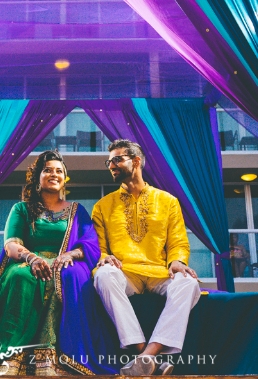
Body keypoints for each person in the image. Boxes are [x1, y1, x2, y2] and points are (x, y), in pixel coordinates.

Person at [0, 150, 116, 375]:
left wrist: (69, 256)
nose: (54, 174)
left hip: (62, 262)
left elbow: (90, 245)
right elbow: (11, 245)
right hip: (28, 261)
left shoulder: (77, 211)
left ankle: (47, 357)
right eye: (48, 170)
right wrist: (32, 258)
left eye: (59, 171)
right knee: (21, 276)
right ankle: (12, 356)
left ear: (64, 178)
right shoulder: (21, 209)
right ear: (37, 177)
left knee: (64, 276)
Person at [92, 139, 201, 376]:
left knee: (188, 283)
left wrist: (177, 260)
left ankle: (146, 357)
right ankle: (147, 353)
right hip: (125, 273)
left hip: (159, 272)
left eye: (117, 159)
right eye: (108, 161)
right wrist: (103, 257)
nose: (111, 165)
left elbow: (178, 242)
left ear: (137, 161)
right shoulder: (102, 206)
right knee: (103, 275)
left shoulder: (168, 201)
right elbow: (98, 247)